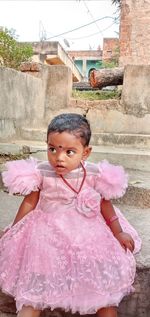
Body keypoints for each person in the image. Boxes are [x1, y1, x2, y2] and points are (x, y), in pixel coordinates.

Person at [0, 113, 141, 317]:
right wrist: (14, 229)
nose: (59, 157)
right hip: (47, 231)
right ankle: (30, 308)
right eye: (52, 149)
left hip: (87, 231)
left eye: (69, 152)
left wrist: (118, 232)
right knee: (34, 285)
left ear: (85, 152)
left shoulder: (93, 173)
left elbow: (105, 205)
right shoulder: (42, 171)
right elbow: (30, 202)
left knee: (103, 287)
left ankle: (105, 308)